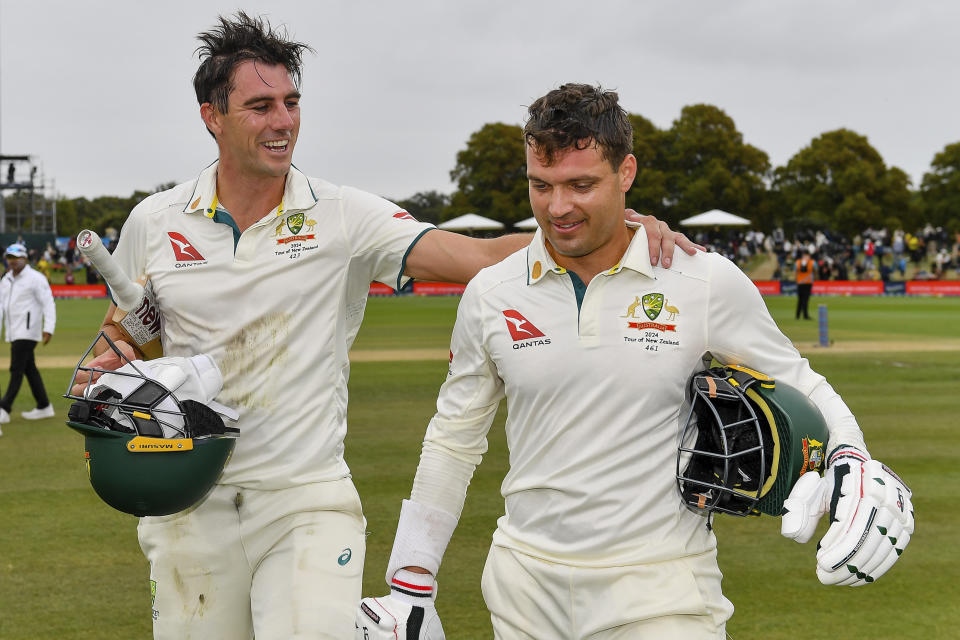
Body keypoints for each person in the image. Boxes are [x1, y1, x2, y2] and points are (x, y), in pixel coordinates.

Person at [70, 14, 696, 639]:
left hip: (303, 500)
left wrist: (615, 232)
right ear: (212, 116)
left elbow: (475, 258)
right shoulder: (155, 220)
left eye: (291, 103)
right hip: (188, 498)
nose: (283, 121)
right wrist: (109, 364)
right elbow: (123, 335)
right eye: (259, 106)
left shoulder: (341, 215)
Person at [358, 84, 912, 639]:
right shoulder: (491, 292)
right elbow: (453, 438)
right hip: (523, 593)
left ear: (626, 173)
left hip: (662, 594)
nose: (557, 208)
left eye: (581, 185)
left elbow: (798, 380)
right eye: (540, 185)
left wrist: (851, 457)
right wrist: (412, 582)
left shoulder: (702, 280)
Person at [0, 243, 57, 426]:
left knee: (16, 368)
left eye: (17, 257)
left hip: (28, 330)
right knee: (28, 368)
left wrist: (48, 327)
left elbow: (48, 303)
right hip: (13, 331)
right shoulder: (6, 279)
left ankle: (4, 408)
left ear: (25, 258)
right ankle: (44, 405)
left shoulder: (36, 278)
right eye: (10, 257)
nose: (13, 261)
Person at [794, 249, 816, 319]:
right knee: (805, 300)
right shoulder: (812, 262)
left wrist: (796, 280)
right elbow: (816, 269)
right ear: (809, 255)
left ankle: (797, 315)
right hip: (808, 283)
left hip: (800, 283)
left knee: (800, 299)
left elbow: (795, 271)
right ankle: (805, 315)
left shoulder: (797, 262)